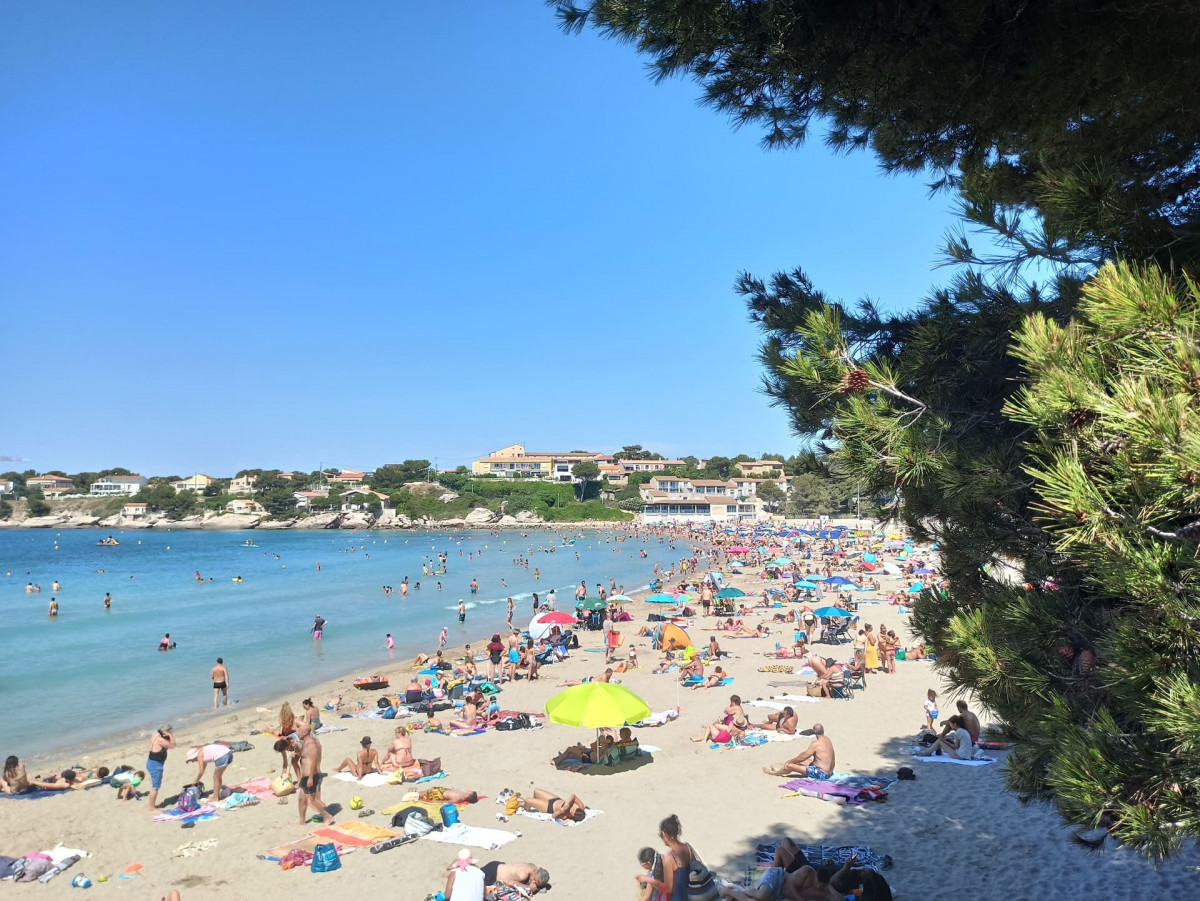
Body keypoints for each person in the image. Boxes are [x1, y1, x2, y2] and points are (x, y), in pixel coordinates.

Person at [762, 723, 835, 779]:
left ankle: (774, 773)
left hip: (821, 774)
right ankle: (782, 768)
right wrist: (795, 760)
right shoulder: (827, 739)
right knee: (801, 759)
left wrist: (790, 761)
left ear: (814, 732)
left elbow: (803, 757)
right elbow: (803, 756)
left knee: (790, 765)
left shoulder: (816, 744)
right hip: (829, 772)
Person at [296, 721, 333, 825]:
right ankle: (302, 821)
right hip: (305, 777)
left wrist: (311, 778)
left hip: (310, 776)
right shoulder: (304, 743)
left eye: (299, 732)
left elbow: (313, 761)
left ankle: (327, 816)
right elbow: (303, 757)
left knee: (310, 801)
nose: (298, 733)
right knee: (301, 799)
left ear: (305, 733)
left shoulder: (312, 744)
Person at [659, 814, 696, 901]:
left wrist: (653, 882)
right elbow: (695, 867)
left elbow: (669, 888)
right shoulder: (688, 848)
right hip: (693, 896)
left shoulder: (668, 857)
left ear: (664, 834)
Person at [145, 724, 175, 815]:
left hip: (150, 762)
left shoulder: (155, 736)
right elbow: (173, 745)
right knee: (155, 787)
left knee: (155, 784)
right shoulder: (160, 739)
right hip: (156, 765)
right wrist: (170, 736)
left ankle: (151, 805)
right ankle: (151, 807)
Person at [478, 861, 551, 894]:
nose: (533, 882)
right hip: (493, 873)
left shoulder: (534, 868)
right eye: (535, 880)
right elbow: (511, 883)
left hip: (499, 865)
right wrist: (527, 888)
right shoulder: (523, 874)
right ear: (535, 872)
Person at [517, 788, 587, 822]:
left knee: (528, 800)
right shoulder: (581, 806)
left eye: (572, 813)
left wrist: (560, 811)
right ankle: (535, 803)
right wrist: (568, 803)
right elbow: (573, 796)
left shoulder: (566, 816)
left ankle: (523, 805)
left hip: (549, 807)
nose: (571, 810)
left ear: (573, 817)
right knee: (536, 791)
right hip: (556, 799)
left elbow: (553, 816)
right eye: (573, 810)